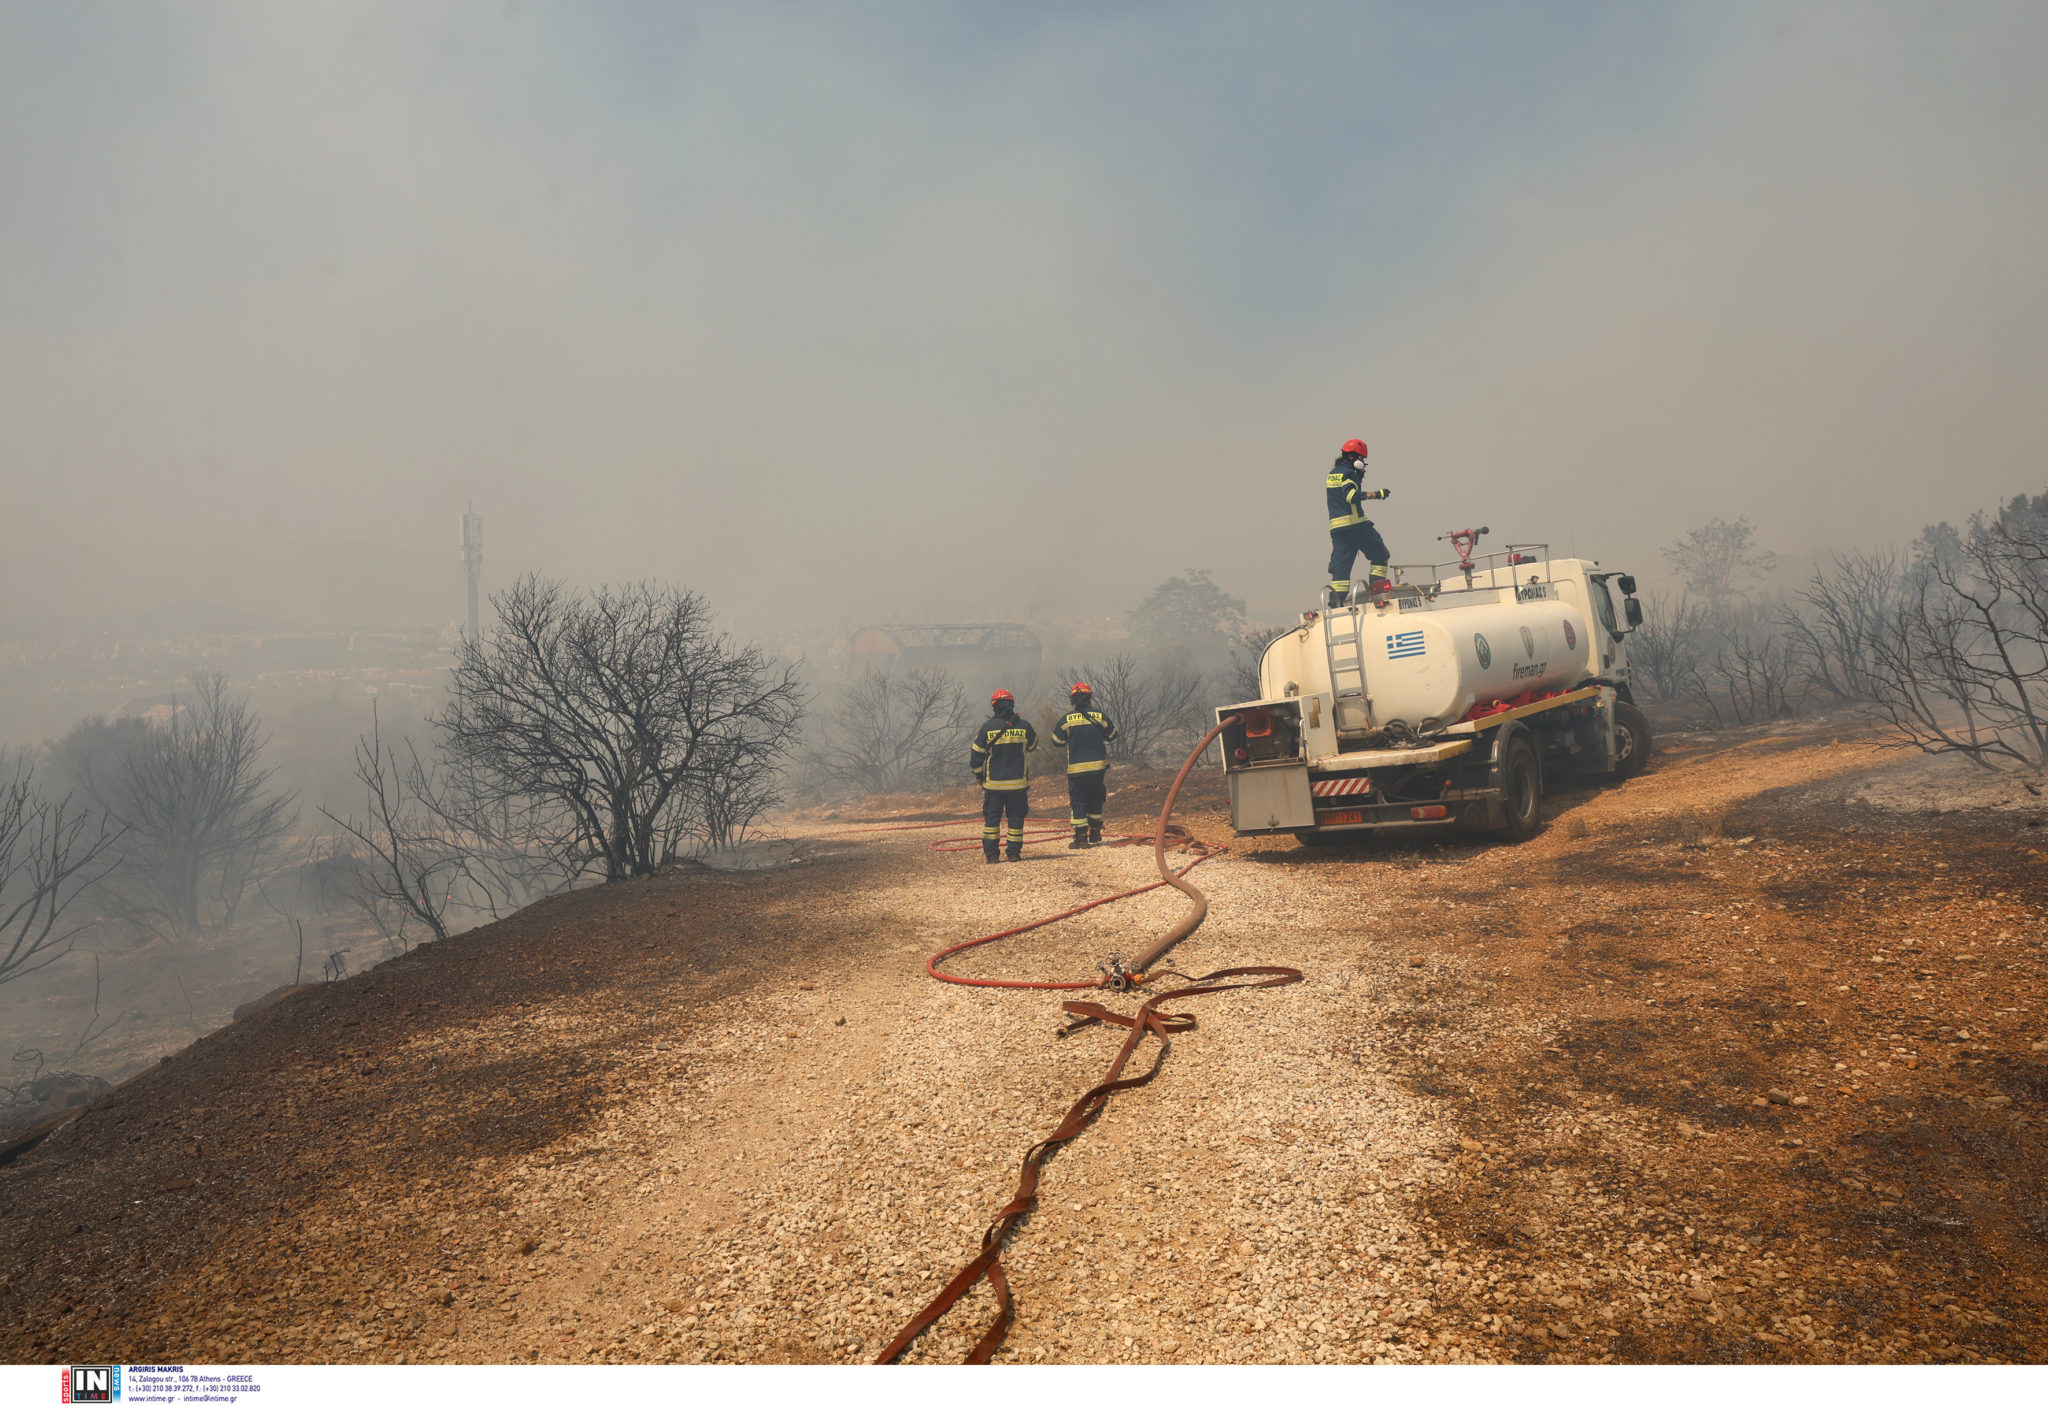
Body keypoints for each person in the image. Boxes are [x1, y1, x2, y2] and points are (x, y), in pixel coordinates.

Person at [970, 688, 1038, 863]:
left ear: (994, 707)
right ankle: (1013, 853)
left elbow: (976, 754)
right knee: (1016, 821)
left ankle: (992, 856)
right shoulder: (1024, 726)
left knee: (992, 822)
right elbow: (1032, 746)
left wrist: (979, 775)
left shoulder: (987, 728)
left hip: (994, 787)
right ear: (1012, 705)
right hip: (1018, 786)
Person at [1326, 437, 1393, 606]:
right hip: (1355, 525)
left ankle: (1335, 606)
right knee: (1380, 555)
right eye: (1361, 459)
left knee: (1341, 570)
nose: (1362, 462)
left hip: (1337, 530)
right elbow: (1350, 497)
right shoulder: (1349, 473)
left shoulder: (1333, 474)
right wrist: (1376, 494)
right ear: (1353, 458)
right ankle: (1378, 596)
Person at [1050, 682, 1117, 848]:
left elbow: (1056, 741)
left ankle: (1081, 838)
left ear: (1073, 700)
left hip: (1077, 770)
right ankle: (1095, 832)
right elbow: (1113, 734)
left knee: (1078, 801)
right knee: (1095, 798)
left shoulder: (1067, 719)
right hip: (1097, 769)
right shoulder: (1100, 716)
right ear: (1090, 698)